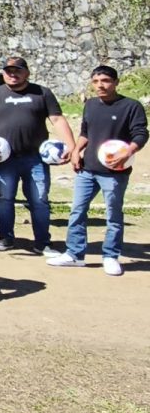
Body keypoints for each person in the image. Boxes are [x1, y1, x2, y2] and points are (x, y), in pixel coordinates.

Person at [48, 65, 147, 276]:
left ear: (116, 82)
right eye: (95, 81)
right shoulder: (91, 104)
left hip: (114, 172)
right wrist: (76, 150)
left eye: (105, 81)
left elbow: (141, 134)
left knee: (113, 214)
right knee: (77, 211)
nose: (100, 85)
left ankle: (110, 256)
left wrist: (128, 151)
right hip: (87, 169)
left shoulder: (131, 106)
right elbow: (86, 132)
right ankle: (74, 254)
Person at [0, 56, 76, 255]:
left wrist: (72, 147)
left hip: (36, 159)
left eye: (17, 71)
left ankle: (43, 242)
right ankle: (5, 238)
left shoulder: (42, 93)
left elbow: (57, 119)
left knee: (39, 200)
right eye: (8, 71)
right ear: (3, 73)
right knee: (5, 199)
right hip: (4, 159)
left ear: (27, 72)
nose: (12, 74)